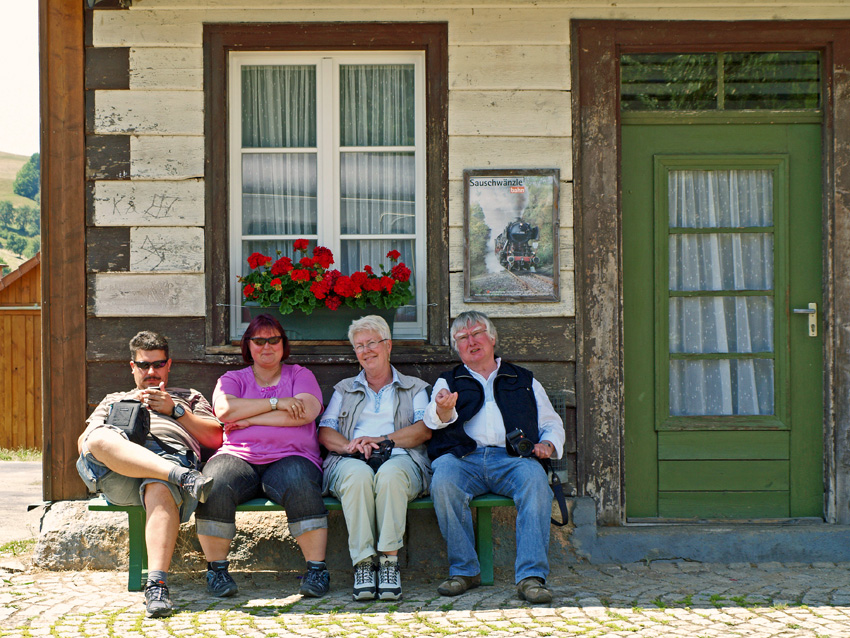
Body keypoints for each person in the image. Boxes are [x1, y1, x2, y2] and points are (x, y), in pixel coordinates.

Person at [76, 331, 223, 618]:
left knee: (158, 484)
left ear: (169, 364)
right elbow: (86, 444)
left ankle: (157, 587)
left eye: (158, 364)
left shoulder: (189, 397)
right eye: (144, 365)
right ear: (133, 367)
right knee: (98, 438)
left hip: (168, 463)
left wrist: (176, 410)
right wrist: (122, 419)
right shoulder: (114, 399)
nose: (151, 372)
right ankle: (182, 477)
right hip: (120, 474)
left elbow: (215, 438)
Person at [424, 311, 565, 604]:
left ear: (492, 339)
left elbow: (551, 422)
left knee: (535, 480)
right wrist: (444, 410)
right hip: (464, 458)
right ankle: (465, 571)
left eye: (477, 334)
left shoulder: (522, 378)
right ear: (456, 347)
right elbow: (432, 419)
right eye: (463, 338)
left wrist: (548, 444)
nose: (471, 341)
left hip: (511, 459)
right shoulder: (448, 380)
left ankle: (531, 577)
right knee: (444, 480)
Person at [194, 313, 329, 599]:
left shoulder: (299, 375)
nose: (266, 346)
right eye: (259, 340)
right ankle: (216, 571)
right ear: (248, 345)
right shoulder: (232, 379)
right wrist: (276, 403)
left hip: (292, 456)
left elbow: (304, 413)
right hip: (238, 457)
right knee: (213, 482)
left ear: (283, 344)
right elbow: (225, 411)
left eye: (273, 339)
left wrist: (251, 418)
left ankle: (317, 571)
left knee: (300, 482)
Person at [318, 315, 431, 601]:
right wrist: (349, 447)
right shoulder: (344, 389)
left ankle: (389, 563)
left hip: (402, 458)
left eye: (372, 343)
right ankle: (364, 565)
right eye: (359, 346)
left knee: (391, 475)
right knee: (358, 476)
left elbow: (423, 431)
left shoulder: (414, 387)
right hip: (351, 460)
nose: (366, 351)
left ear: (388, 345)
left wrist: (382, 441)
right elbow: (325, 432)